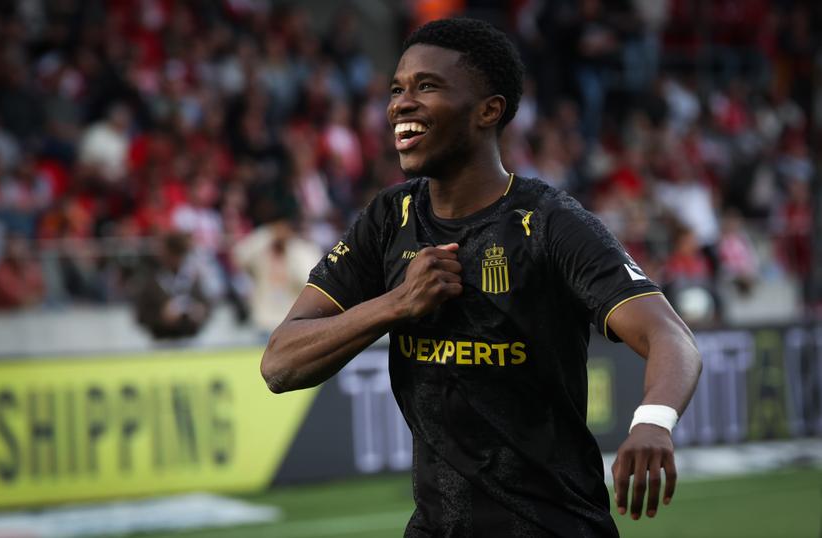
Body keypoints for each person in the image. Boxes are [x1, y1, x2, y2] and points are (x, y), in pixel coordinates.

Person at [261, 18, 701, 537]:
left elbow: (671, 336)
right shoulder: (388, 219)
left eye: (427, 86)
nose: (401, 104)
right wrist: (396, 304)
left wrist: (653, 421)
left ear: (488, 111)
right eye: (397, 89)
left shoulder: (549, 223)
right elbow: (280, 364)